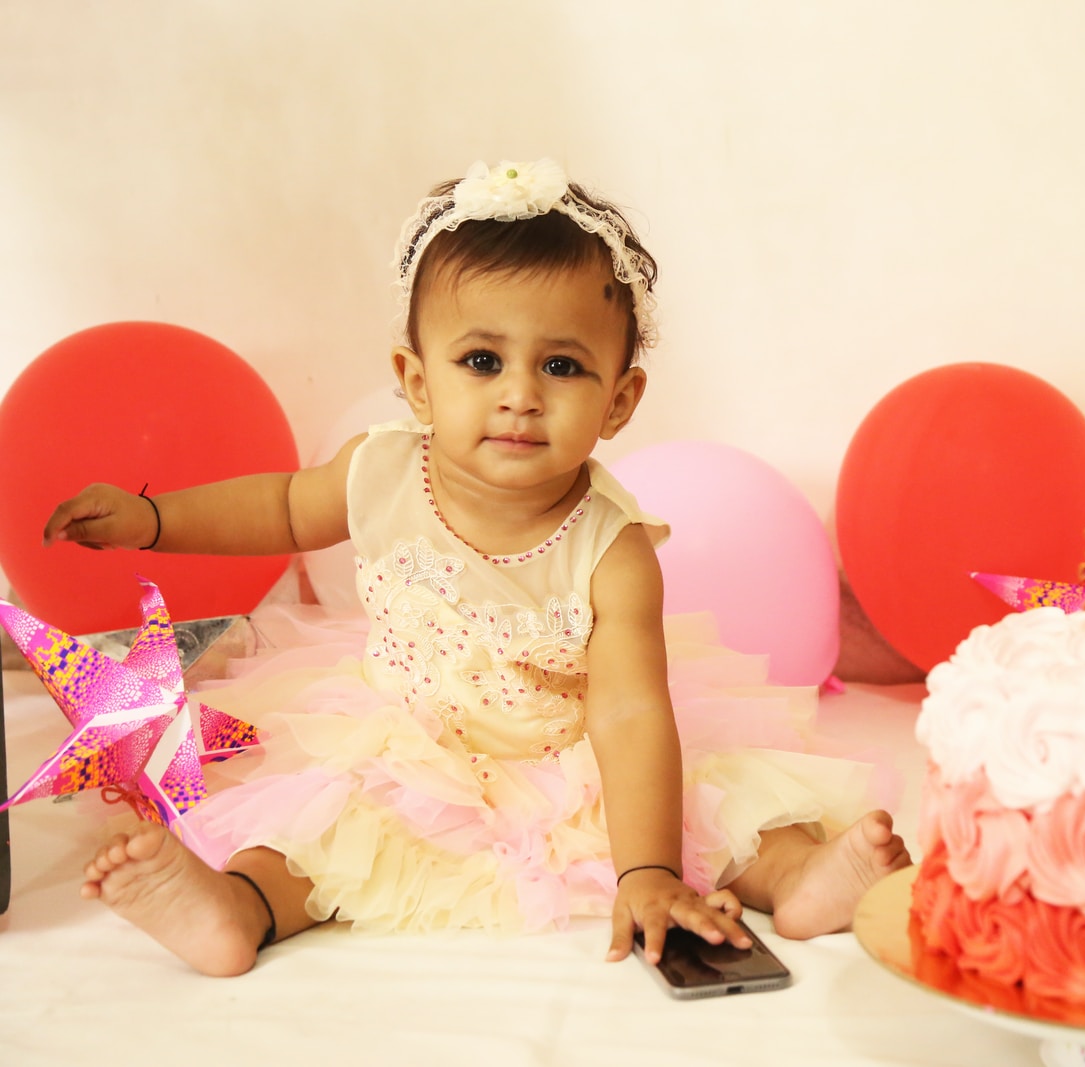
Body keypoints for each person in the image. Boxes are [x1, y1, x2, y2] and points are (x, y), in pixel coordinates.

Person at [42, 158, 910, 978]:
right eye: (482, 360)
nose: (520, 393)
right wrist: (155, 518)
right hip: (415, 738)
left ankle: (799, 880)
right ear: (416, 382)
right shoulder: (380, 469)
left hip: (575, 751)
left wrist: (644, 868)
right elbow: (277, 507)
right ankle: (237, 908)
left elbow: (631, 709)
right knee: (328, 820)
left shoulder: (613, 549)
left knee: (723, 803)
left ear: (619, 400)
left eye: (562, 365)